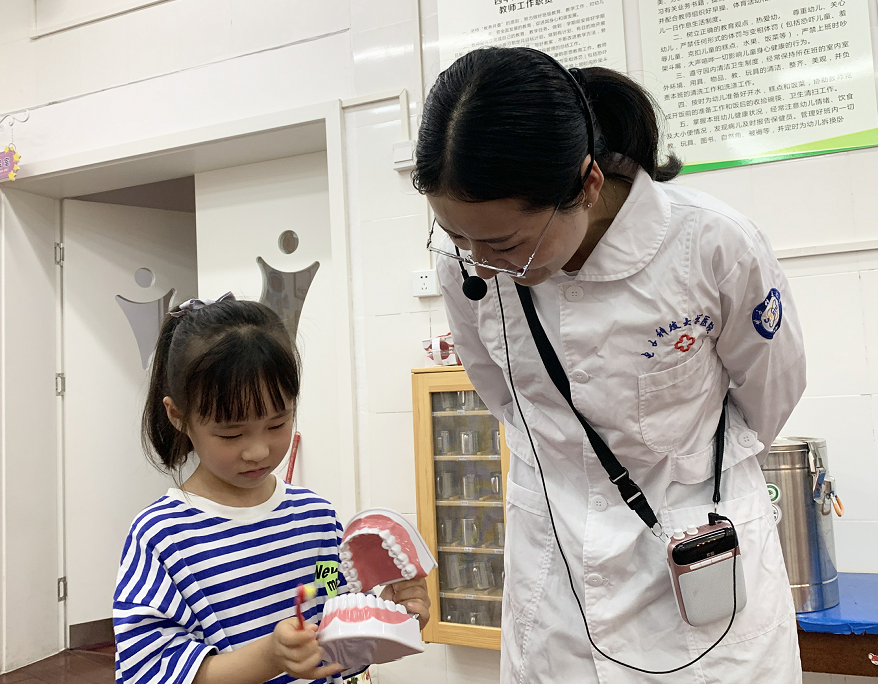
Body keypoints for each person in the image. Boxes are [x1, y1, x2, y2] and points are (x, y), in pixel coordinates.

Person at [414, 47, 806, 683]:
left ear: (588, 184)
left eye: (507, 244)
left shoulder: (711, 244)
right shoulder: (468, 270)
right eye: (458, 238)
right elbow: (503, 396)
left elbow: (772, 392)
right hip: (557, 569)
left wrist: (680, 463)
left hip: (697, 550)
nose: (482, 264)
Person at [113, 295, 430, 684]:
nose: (258, 451)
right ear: (178, 416)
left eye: (277, 424)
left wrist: (388, 622)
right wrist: (270, 656)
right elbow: (150, 672)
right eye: (231, 433)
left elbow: (338, 650)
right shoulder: (162, 536)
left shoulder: (316, 518)